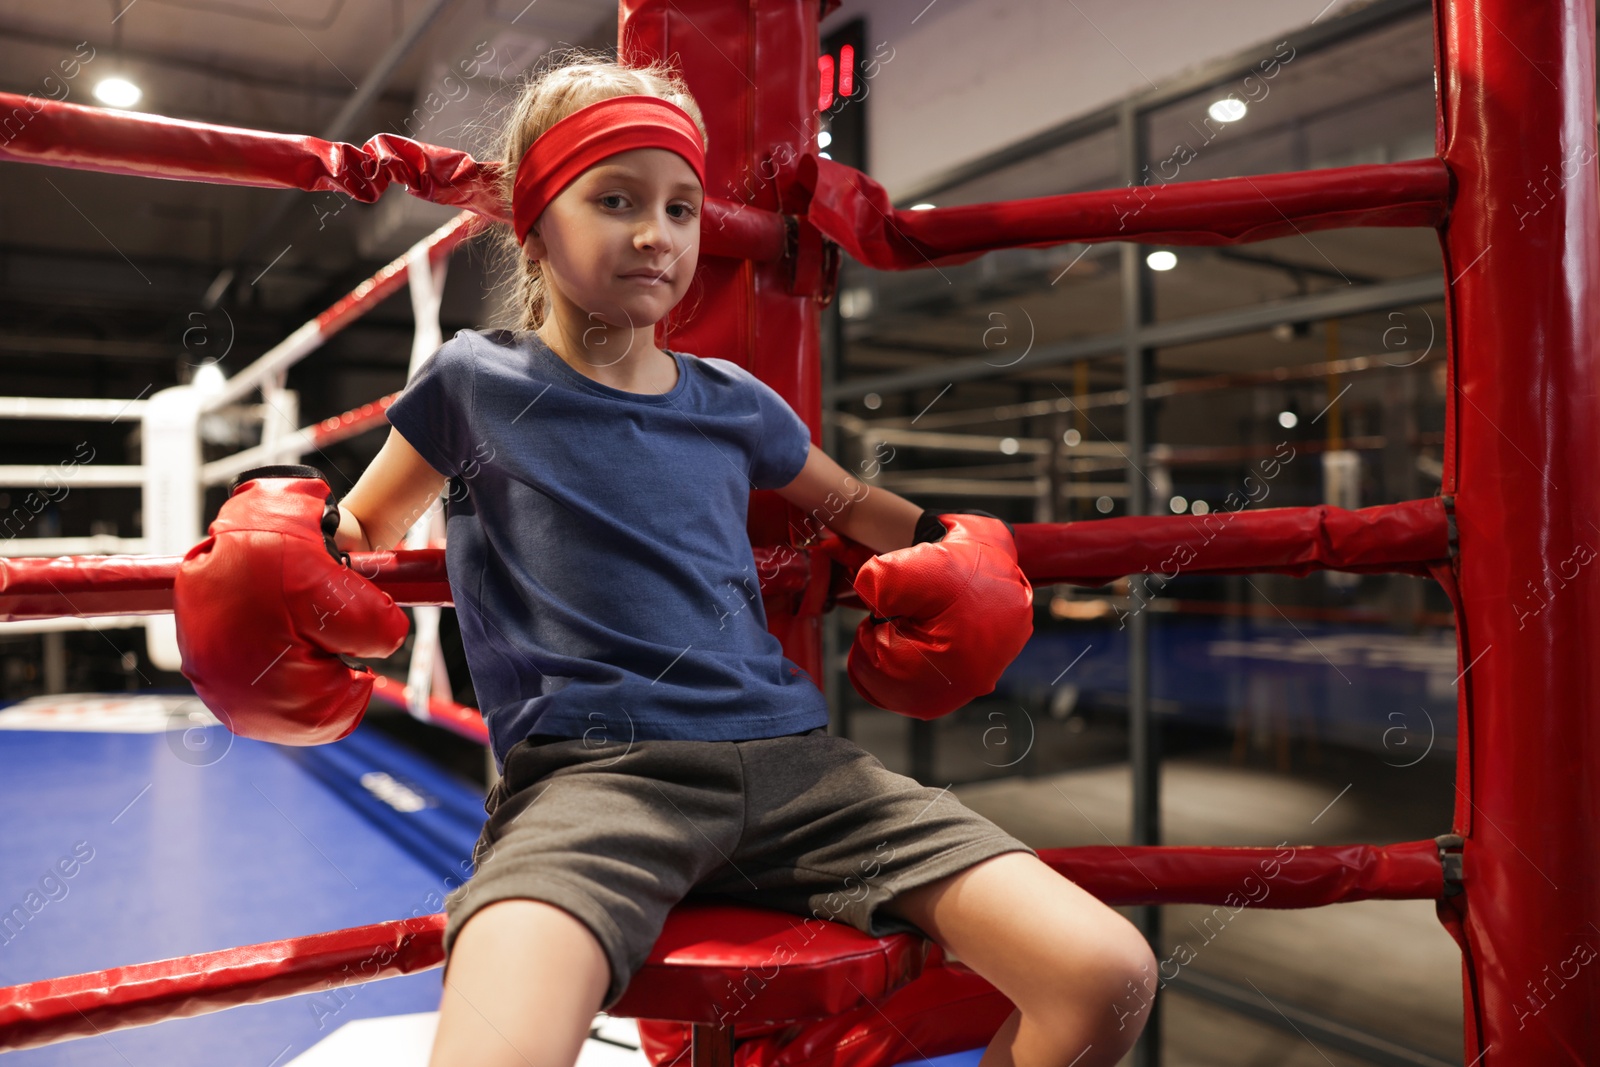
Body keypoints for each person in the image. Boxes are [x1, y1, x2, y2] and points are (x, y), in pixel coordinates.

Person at [189, 48, 1157, 1067]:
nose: (656, 234)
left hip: (803, 771)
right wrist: (261, 555)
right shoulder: (474, 380)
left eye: (683, 208)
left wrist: (970, 560)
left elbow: (861, 510)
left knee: (1105, 973)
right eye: (615, 198)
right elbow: (356, 533)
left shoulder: (732, 399)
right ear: (535, 217)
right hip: (591, 785)